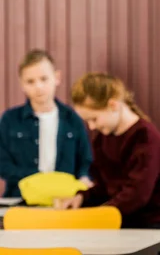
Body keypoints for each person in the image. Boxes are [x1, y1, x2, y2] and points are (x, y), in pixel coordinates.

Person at [57, 72, 160, 255]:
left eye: (94, 119)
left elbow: (137, 194)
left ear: (113, 105)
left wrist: (97, 216)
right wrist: (82, 198)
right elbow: (103, 187)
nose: (91, 127)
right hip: (120, 225)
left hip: (153, 228)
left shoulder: (146, 139)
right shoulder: (102, 139)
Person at [0, 49, 93, 197]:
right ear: (22, 84)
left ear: (56, 77)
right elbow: (3, 164)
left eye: (44, 79)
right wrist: (39, 179)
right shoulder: (10, 119)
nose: (38, 86)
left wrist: (83, 179)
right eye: (30, 81)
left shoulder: (72, 119)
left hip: (64, 200)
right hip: (20, 199)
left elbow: (86, 160)